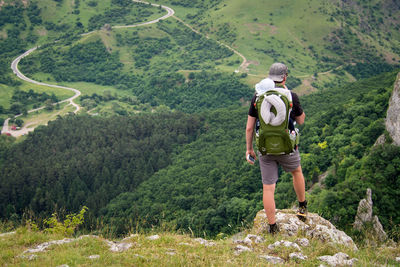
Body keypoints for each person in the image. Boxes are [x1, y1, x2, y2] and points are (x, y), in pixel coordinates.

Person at [245, 62, 307, 234]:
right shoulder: (291, 95)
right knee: (296, 172)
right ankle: (302, 207)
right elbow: (301, 121)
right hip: (288, 146)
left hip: (265, 148)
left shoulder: (257, 97)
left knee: (268, 187)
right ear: (284, 77)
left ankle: (272, 227)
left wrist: (249, 149)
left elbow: (249, 127)